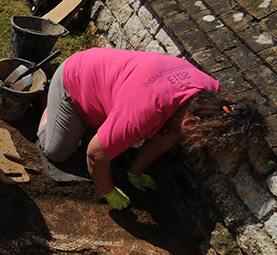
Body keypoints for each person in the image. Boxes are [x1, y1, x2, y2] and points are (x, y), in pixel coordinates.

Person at [38, 47, 265, 209]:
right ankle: (47, 100)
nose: (193, 142)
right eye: (195, 138)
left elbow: (169, 136)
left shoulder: (212, 99)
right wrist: (108, 191)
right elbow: (95, 156)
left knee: (103, 136)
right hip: (73, 81)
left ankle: (82, 119)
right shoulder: (143, 113)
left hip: (105, 87)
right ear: (191, 122)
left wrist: (135, 172)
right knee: (57, 152)